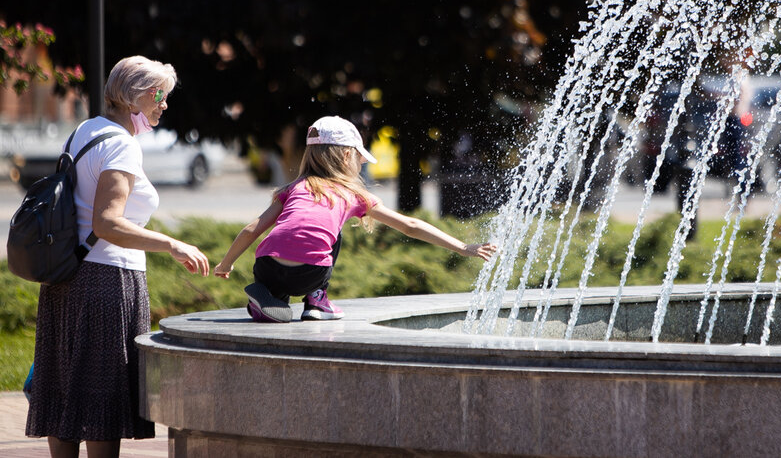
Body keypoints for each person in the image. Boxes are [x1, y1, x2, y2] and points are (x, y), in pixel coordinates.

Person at [25, 56, 210, 458]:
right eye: (160, 95)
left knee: (65, 396)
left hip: (66, 278)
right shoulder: (123, 145)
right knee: (100, 402)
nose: (164, 105)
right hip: (106, 282)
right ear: (136, 96)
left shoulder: (84, 131)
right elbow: (108, 223)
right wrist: (173, 244)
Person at [213, 115, 497, 322]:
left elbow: (252, 229)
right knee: (332, 234)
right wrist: (463, 247)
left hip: (266, 267)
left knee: (290, 237)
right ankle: (315, 301)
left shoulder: (291, 189)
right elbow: (411, 226)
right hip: (309, 274)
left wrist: (227, 263)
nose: (360, 164)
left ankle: (270, 299)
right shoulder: (353, 195)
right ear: (347, 155)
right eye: (358, 159)